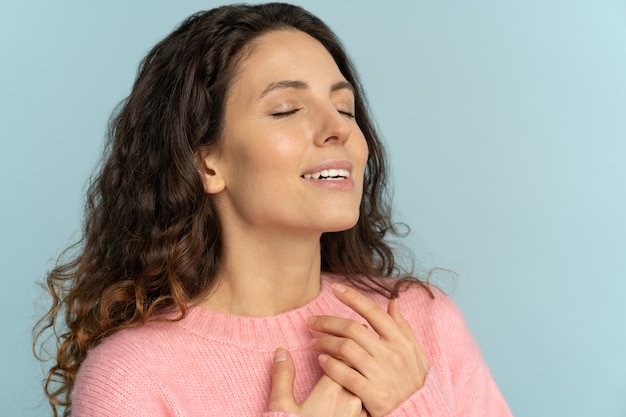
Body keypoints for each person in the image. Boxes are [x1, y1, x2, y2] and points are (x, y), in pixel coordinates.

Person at [34, 3, 513, 416]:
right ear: (205, 161)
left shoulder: (418, 321)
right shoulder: (131, 379)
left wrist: (414, 406)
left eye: (345, 109)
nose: (338, 129)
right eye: (287, 109)